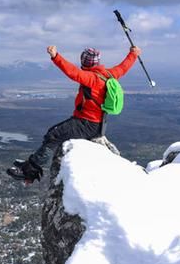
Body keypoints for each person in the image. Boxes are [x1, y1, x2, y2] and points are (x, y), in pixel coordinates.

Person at [7, 45, 141, 183]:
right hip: (96, 123)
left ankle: (30, 172)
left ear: (84, 62)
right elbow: (123, 67)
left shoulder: (91, 78)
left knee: (53, 135)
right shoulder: (109, 74)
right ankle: (32, 163)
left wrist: (55, 56)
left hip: (87, 124)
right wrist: (133, 54)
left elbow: (72, 72)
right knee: (53, 132)